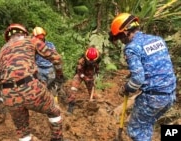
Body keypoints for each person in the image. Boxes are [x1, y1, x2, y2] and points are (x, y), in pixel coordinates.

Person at [109, 13, 176, 141]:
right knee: (146, 124)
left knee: (135, 130)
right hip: (169, 96)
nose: (121, 41)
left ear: (126, 32)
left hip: (153, 98)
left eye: (120, 37)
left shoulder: (132, 48)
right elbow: (154, 66)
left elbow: (138, 79)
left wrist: (127, 88)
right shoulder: (158, 40)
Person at [0, 23, 65, 141]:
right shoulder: (30, 40)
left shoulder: (2, 51)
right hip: (30, 88)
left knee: (22, 130)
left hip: (8, 94)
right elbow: (56, 58)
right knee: (54, 111)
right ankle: (57, 139)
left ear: (8, 38)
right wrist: (59, 75)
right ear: (24, 33)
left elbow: (0, 73)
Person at [67, 46, 101, 113]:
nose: (91, 62)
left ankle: (92, 106)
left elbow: (97, 66)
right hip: (80, 74)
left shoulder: (98, 58)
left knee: (92, 93)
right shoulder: (81, 61)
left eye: (92, 61)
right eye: (89, 61)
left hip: (90, 75)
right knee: (73, 88)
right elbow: (79, 72)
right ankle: (71, 106)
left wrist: (97, 73)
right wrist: (85, 78)